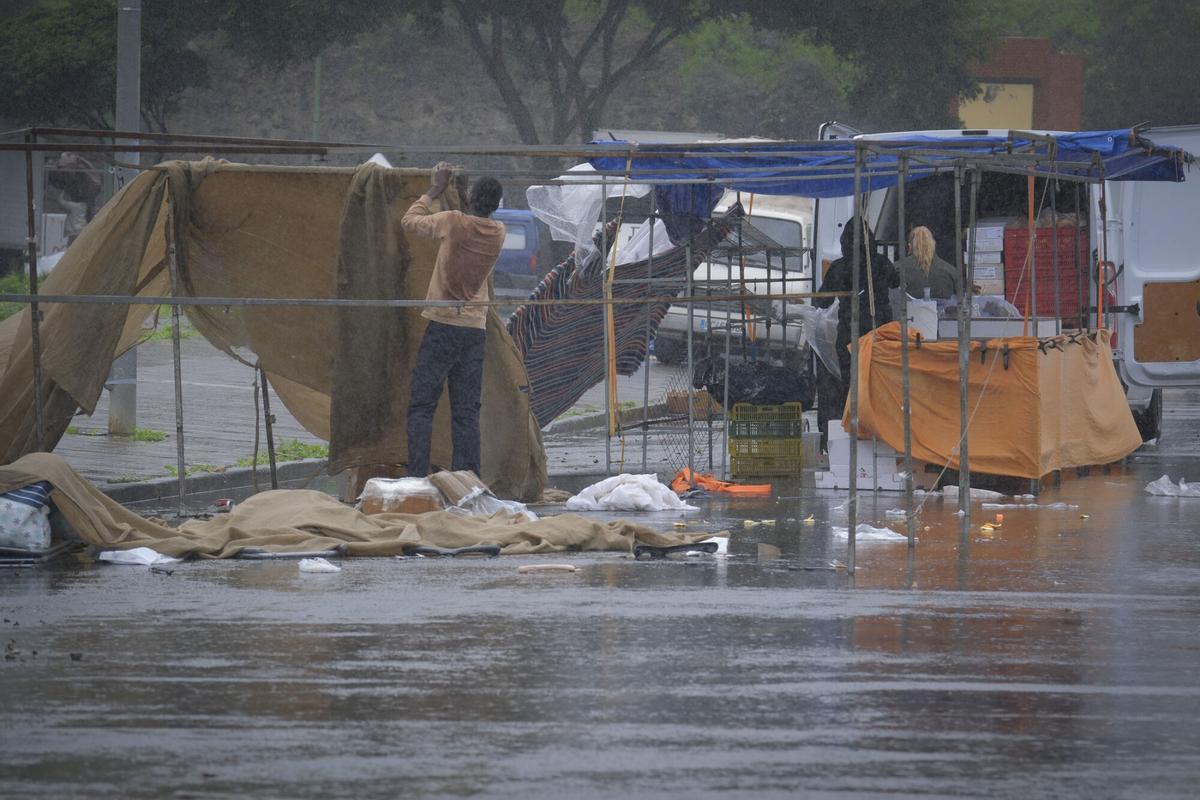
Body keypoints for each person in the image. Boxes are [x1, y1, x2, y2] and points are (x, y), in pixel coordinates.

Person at [400, 162, 505, 477]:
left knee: (421, 406)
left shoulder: (450, 222)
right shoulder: (498, 233)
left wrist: (435, 188)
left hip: (443, 326)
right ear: (497, 206)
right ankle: (467, 481)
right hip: (474, 331)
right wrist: (460, 192)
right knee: (466, 412)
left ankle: (418, 478)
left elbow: (410, 221)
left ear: (470, 198)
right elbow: (473, 217)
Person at [813, 216, 899, 448]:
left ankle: (852, 428)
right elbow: (896, 284)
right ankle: (878, 428)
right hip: (880, 333)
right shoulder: (882, 264)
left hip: (850, 333)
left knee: (851, 383)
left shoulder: (839, 268)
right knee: (876, 382)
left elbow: (820, 302)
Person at [894, 225, 962, 300]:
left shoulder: (897, 269)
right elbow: (960, 301)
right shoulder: (951, 271)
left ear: (910, 246)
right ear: (933, 245)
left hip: (910, 311)